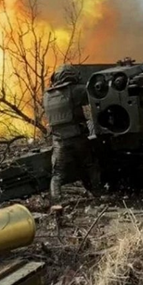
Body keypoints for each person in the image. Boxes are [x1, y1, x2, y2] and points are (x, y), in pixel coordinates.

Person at [43, 64, 101, 203]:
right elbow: (96, 93)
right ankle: (97, 193)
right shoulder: (76, 90)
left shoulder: (47, 95)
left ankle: (56, 202)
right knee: (89, 165)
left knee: (57, 174)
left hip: (58, 140)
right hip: (77, 137)